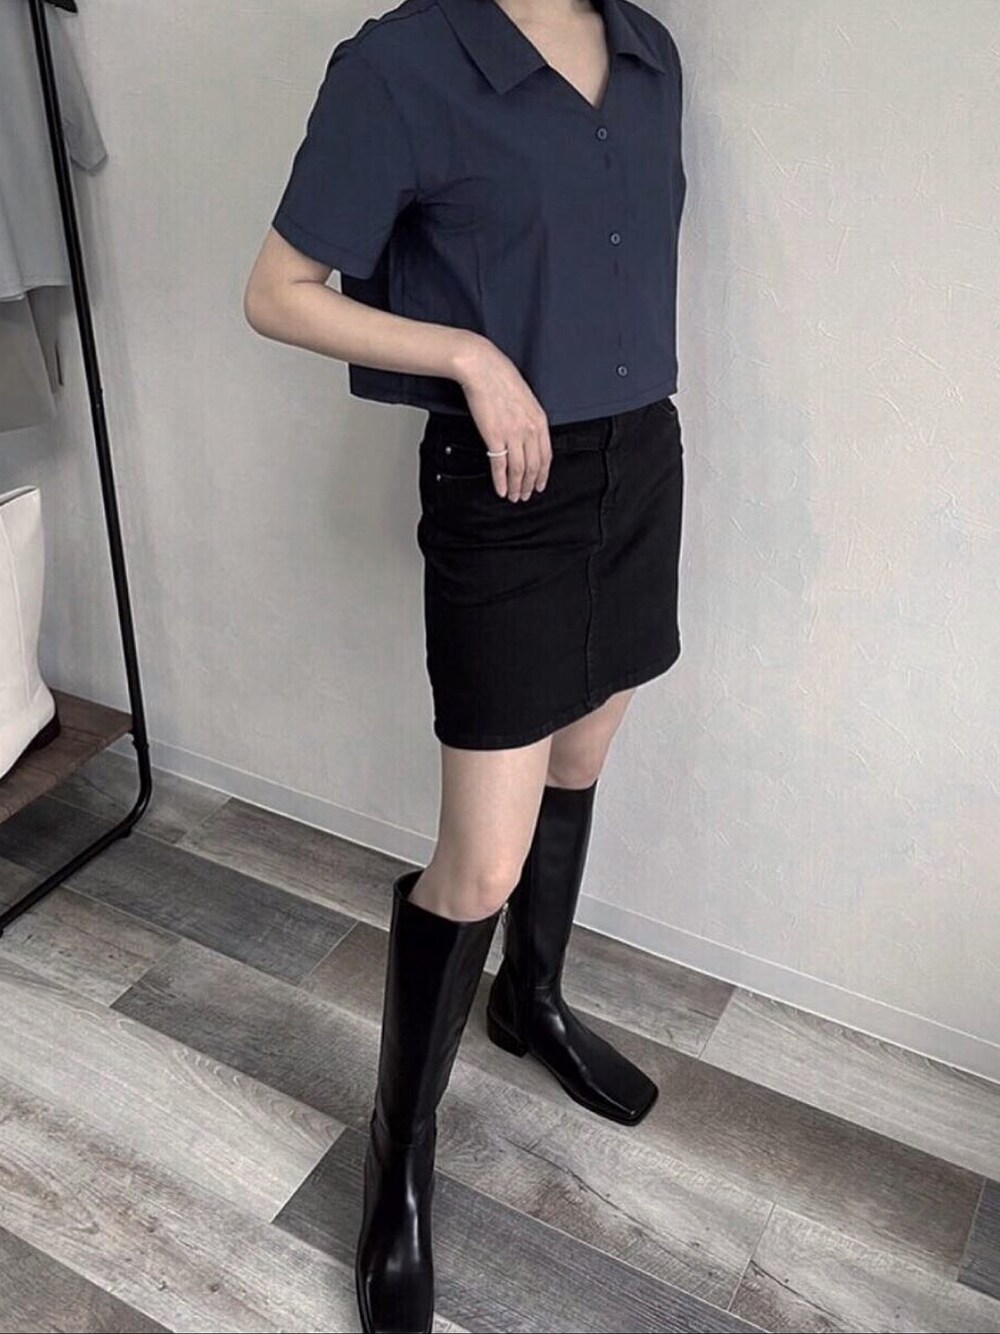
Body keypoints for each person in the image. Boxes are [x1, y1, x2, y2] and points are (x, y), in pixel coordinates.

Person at [244, 0, 686, 1329]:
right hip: (504, 489)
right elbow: (276, 293)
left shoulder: (651, 53)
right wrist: (467, 353)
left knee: (584, 756)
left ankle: (531, 1000)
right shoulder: (404, 64)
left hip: (638, 462)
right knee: (479, 862)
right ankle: (401, 1150)